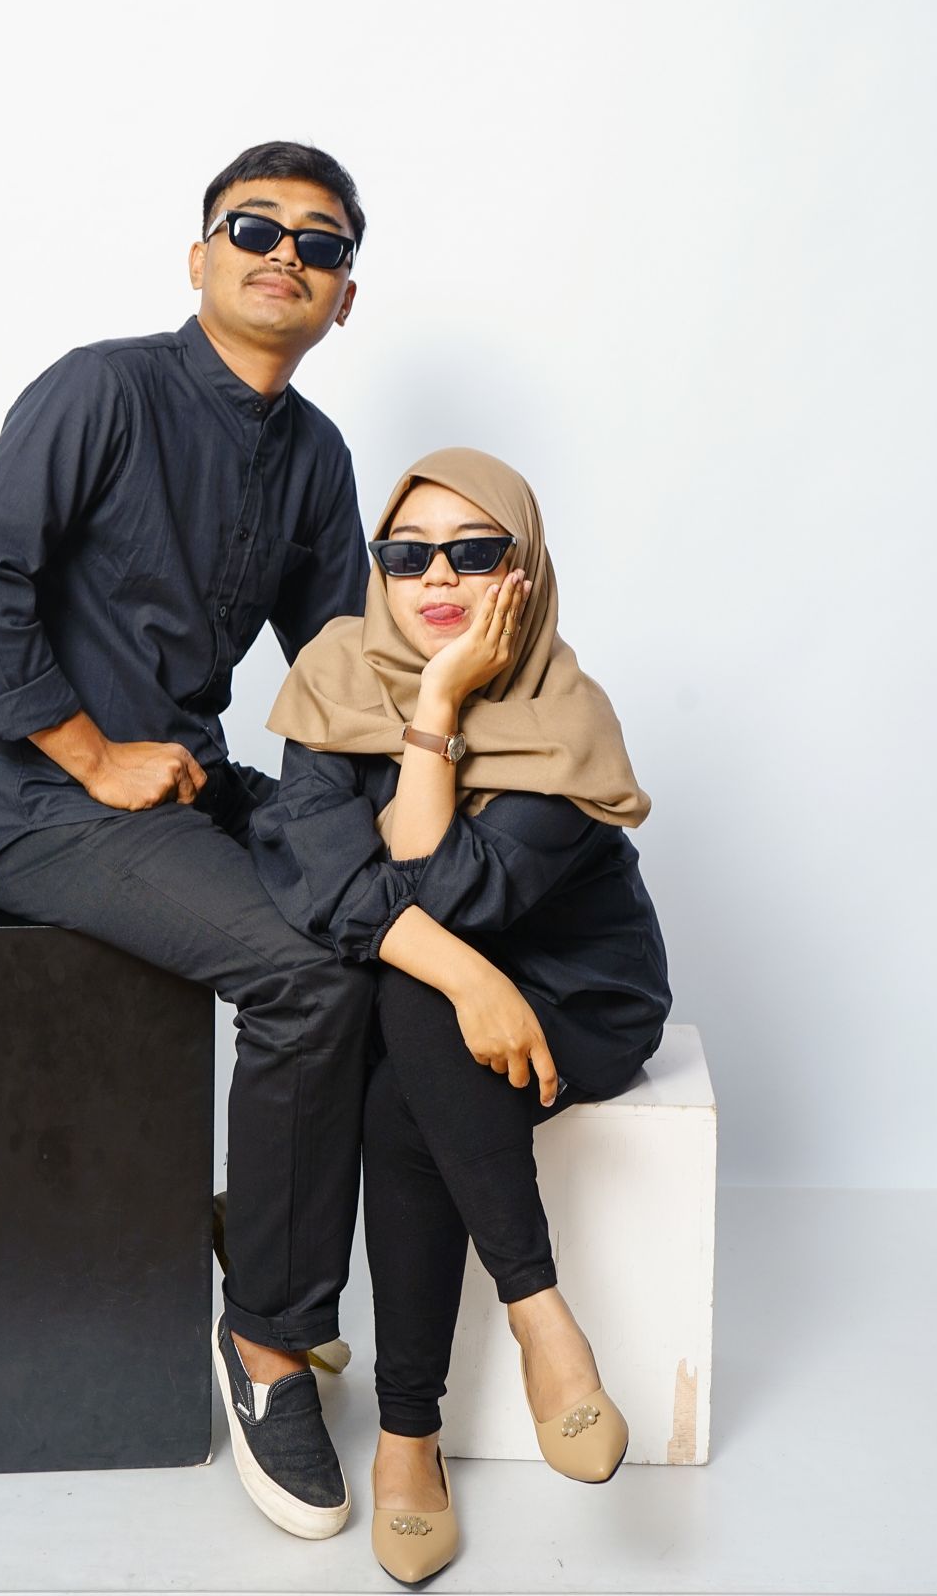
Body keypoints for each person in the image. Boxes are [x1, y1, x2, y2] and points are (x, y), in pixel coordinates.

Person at [0, 141, 377, 1541]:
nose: (284, 254)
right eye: (254, 227)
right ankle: (268, 1344)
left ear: (343, 296)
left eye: (319, 243)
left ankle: (261, 1217)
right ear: (199, 255)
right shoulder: (102, 389)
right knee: (307, 976)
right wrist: (90, 752)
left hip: (185, 783)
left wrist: (414, 792)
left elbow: (339, 666)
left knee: (396, 911)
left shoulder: (314, 455)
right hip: (39, 804)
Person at [246, 446, 673, 1583]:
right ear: (378, 572)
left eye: (474, 552)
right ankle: (540, 1322)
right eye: (407, 555)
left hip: (577, 995)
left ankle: (411, 1432)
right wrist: (471, 978)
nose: (437, 577)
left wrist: (435, 709)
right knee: (414, 1019)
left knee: (407, 999)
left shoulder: (561, 711)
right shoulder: (337, 677)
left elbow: (440, 896)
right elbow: (322, 880)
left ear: (523, 572)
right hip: (449, 1003)